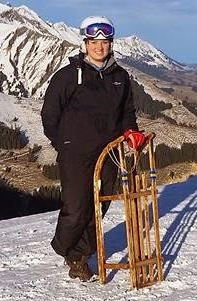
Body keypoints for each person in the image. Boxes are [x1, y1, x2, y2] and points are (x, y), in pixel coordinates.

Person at [41, 15, 138, 281]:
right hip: (75, 154)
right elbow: (50, 114)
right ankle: (64, 247)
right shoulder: (67, 76)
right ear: (85, 44)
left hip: (109, 154)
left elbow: (127, 112)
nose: (99, 47)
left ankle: (79, 256)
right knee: (76, 208)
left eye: (104, 42)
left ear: (111, 44)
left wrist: (131, 132)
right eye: (94, 42)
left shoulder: (120, 77)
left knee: (99, 207)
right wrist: (64, 143)